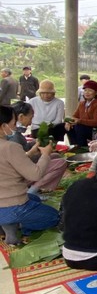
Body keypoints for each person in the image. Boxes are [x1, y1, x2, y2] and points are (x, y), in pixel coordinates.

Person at [0, 105, 59, 245]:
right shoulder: (10, 147)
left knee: (34, 199)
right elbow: (35, 174)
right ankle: (16, 224)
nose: (15, 127)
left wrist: (31, 152)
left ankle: (8, 225)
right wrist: (45, 154)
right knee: (54, 217)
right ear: (3, 126)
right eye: (13, 124)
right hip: (11, 205)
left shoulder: (8, 147)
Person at [10, 101, 67, 194]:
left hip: (20, 168)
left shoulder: (14, 133)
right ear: (20, 117)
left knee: (55, 156)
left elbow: (22, 151)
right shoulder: (13, 136)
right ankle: (32, 190)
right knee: (61, 163)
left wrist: (34, 144)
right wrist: (42, 154)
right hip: (18, 176)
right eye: (31, 117)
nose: (31, 121)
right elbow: (19, 161)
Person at [66, 79, 97, 147]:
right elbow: (75, 116)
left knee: (79, 127)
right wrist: (69, 122)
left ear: (96, 92)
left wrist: (79, 121)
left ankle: (82, 148)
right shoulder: (82, 103)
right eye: (85, 90)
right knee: (66, 125)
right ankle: (75, 145)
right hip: (85, 128)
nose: (87, 92)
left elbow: (96, 122)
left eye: (90, 90)